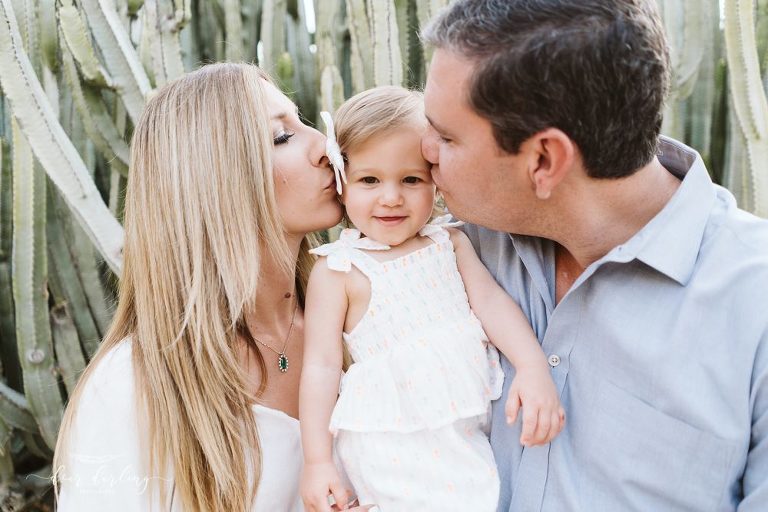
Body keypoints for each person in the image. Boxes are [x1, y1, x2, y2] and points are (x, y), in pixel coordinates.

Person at [421, 1, 768, 510]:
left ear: (544, 160)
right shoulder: (444, 245)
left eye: (445, 136)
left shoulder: (755, 302)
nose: (422, 149)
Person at [52, 63, 371, 511]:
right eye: (281, 137)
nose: (327, 147)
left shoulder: (363, 324)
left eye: (303, 124)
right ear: (217, 180)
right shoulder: (136, 384)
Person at [299, 86, 564, 512]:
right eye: (369, 180)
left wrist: (532, 367)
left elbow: (492, 306)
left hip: (462, 431)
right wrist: (316, 461)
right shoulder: (340, 270)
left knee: (485, 498)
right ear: (343, 183)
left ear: (435, 182)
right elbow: (321, 367)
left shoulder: (450, 243)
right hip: (388, 442)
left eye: (411, 179)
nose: (391, 197)